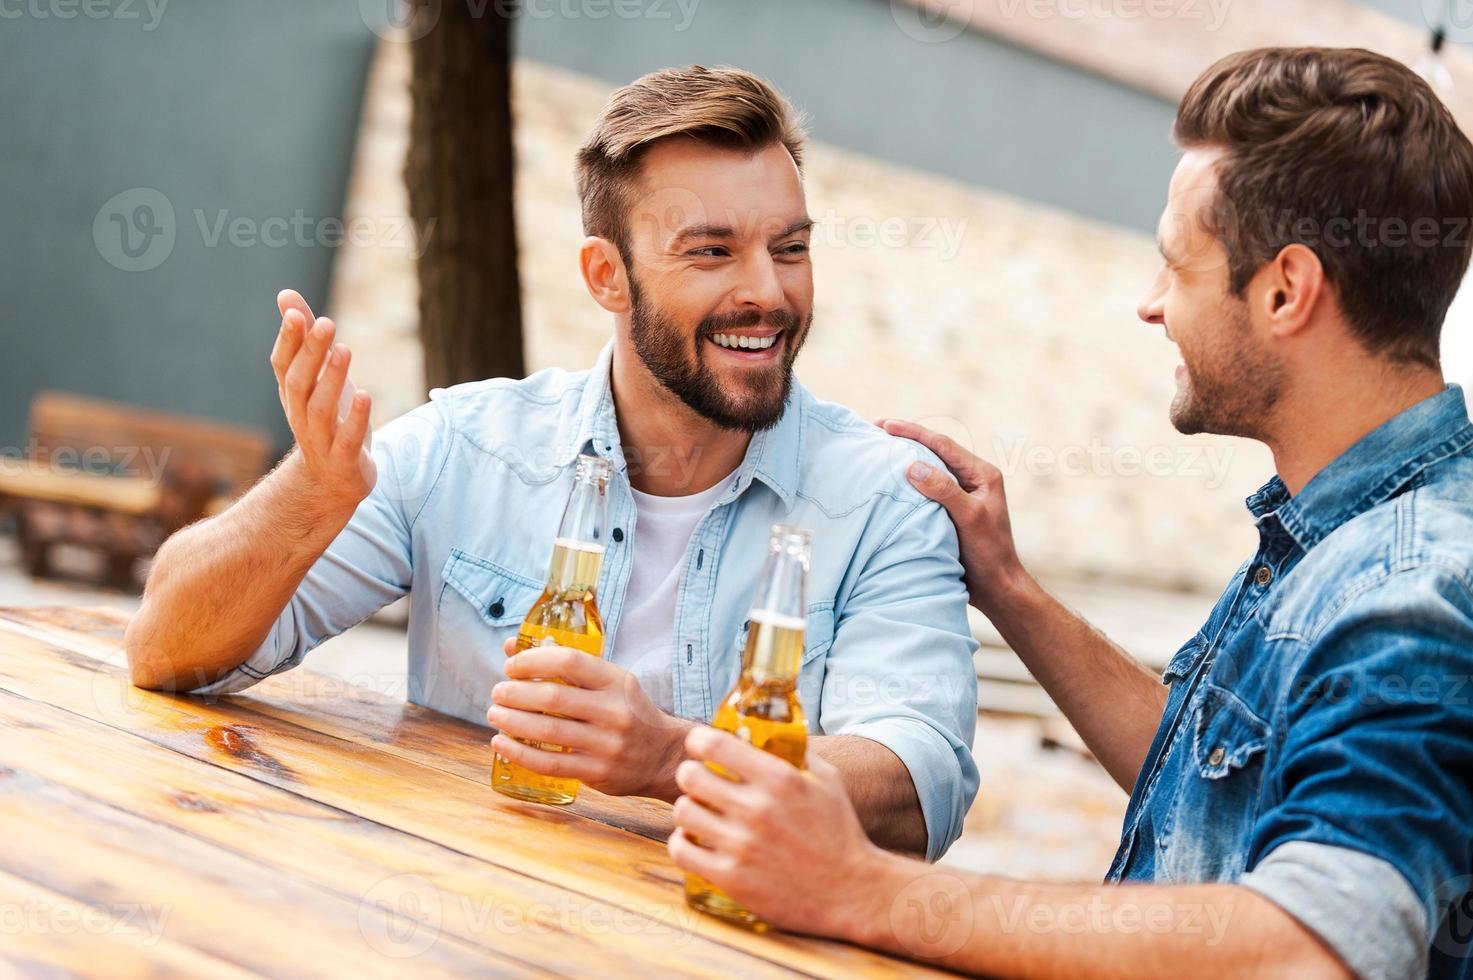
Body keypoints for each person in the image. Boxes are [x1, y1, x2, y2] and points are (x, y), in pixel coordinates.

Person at [668, 47, 1473, 978]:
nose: (1151, 303)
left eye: (1176, 265)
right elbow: (1211, 789)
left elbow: (1311, 943)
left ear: (1285, 290)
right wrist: (1010, 590)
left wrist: (861, 888)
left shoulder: (1410, 589)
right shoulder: (1344, 532)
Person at [124, 66, 979, 858]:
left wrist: (671, 756)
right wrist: (310, 497)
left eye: (789, 248)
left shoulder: (884, 498)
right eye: (712, 251)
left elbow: (917, 784)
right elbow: (166, 651)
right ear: (607, 276)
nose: (769, 291)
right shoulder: (467, 444)